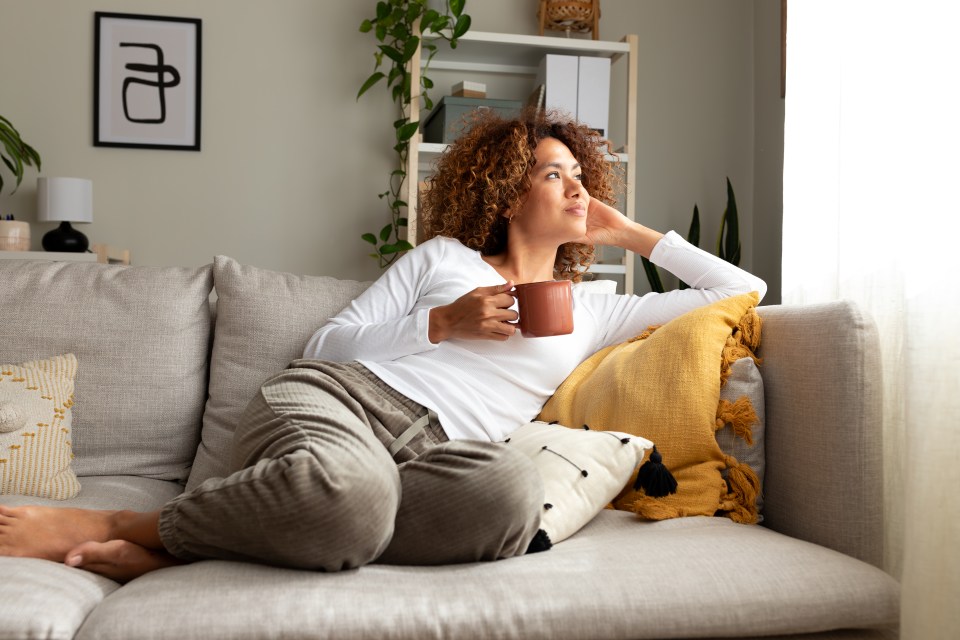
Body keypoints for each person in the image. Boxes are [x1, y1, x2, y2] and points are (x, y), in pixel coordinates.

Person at [0, 109, 765, 582]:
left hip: (435, 455)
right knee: (354, 497)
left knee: (506, 498)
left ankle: (223, 542)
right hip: (338, 403)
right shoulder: (442, 261)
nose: (575, 189)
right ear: (503, 193)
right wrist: (443, 324)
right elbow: (328, 344)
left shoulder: (595, 310)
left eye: (579, 176)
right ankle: (122, 526)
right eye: (551, 174)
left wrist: (625, 232)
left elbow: (740, 292)